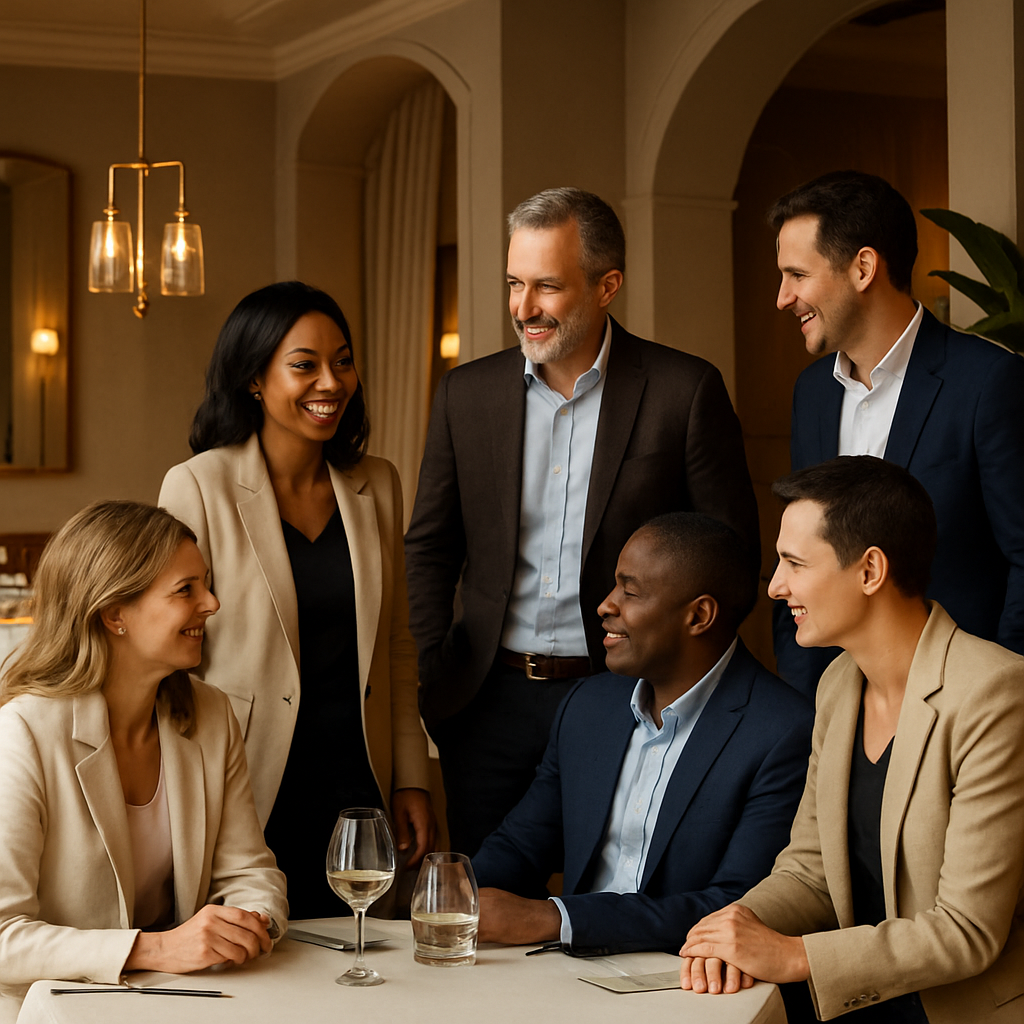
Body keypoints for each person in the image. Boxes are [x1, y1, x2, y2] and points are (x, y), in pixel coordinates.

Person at [405, 187, 760, 856]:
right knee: (487, 904)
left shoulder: (684, 392)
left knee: (607, 900)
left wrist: (676, 688)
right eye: (514, 284)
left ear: (608, 285)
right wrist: (434, 671)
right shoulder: (466, 393)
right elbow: (428, 548)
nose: (523, 308)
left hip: (629, 697)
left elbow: (731, 558)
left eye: (547, 286)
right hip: (486, 703)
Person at [680, 457, 1024, 1024]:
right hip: (855, 1004)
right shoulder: (839, 683)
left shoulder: (993, 693)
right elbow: (810, 870)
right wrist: (734, 926)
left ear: (869, 571)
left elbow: (967, 931)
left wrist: (791, 954)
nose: (774, 586)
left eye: (793, 563)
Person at [159, 282, 434, 919]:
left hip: (358, 778)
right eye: (304, 365)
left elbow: (397, 645)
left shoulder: (378, 483)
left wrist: (411, 776)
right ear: (254, 378)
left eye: (342, 361)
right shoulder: (197, 485)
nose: (331, 382)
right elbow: (169, 658)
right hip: (246, 778)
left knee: (360, 963)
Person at [471, 513, 811, 955]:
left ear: (699, 616)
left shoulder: (785, 731)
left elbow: (738, 903)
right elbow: (521, 844)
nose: (605, 605)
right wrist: (454, 894)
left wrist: (555, 919)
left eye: (630, 592)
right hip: (561, 971)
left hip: (690, 983)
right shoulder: (587, 706)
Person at [0, 501, 288, 1022]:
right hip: (51, 1010)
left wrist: (252, 921)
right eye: (187, 590)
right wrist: (156, 949)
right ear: (115, 615)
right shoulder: (22, 732)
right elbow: (3, 937)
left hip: (184, 1002)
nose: (213, 603)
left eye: (207, 584)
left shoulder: (212, 713)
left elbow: (250, 870)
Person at [769, 170, 1024, 699]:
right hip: (835, 706)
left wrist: (997, 693)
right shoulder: (810, 393)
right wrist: (804, 696)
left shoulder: (989, 382)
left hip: (962, 703)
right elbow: (799, 552)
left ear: (863, 267)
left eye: (797, 274)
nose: (782, 297)